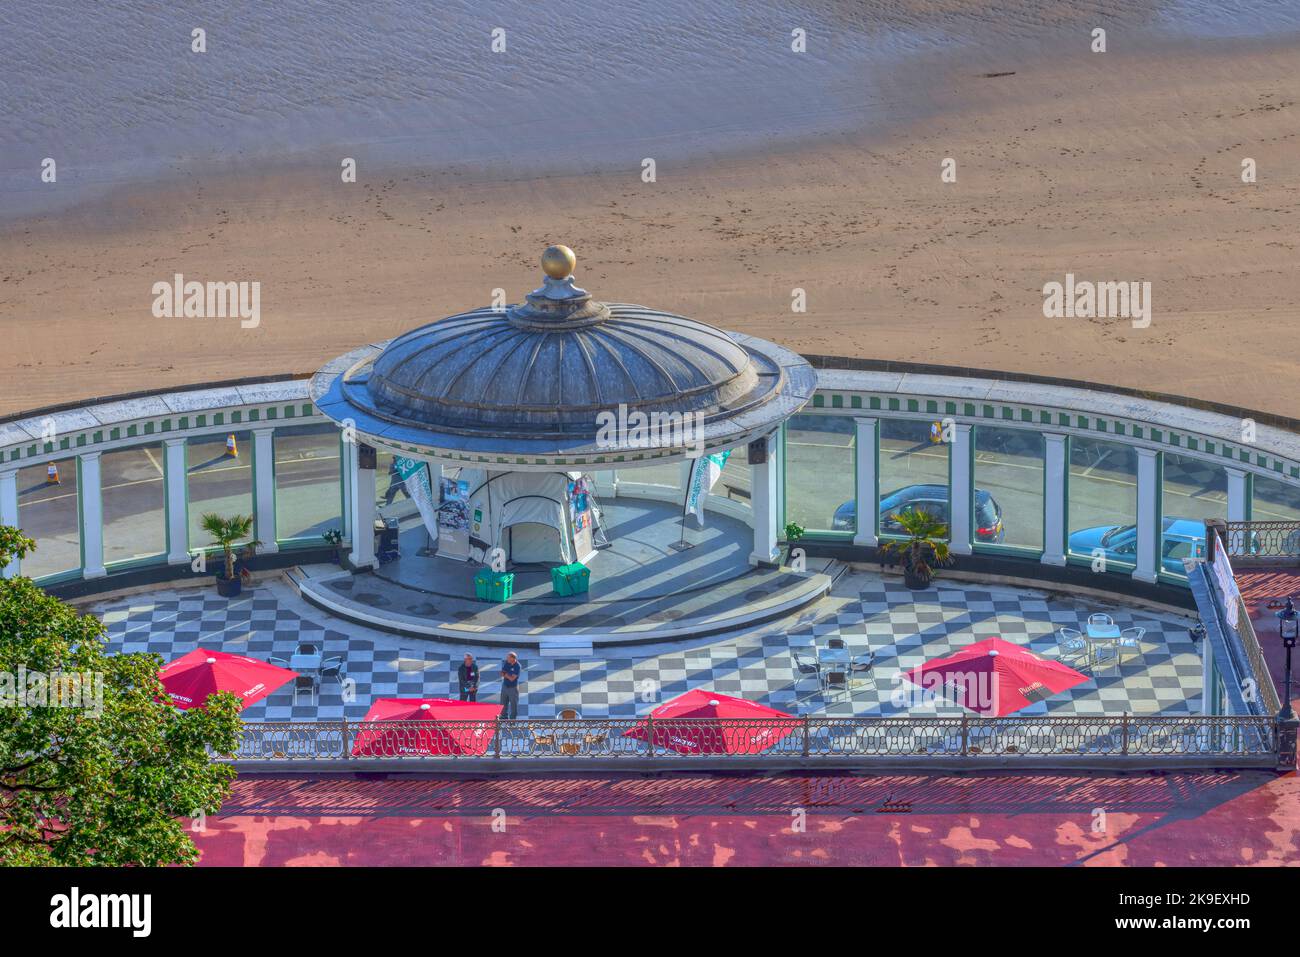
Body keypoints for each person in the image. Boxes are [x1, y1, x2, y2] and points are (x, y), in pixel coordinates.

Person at [499, 652, 521, 719]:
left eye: (508, 658)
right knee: (503, 702)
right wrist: (507, 675)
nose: (507, 659)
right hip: (505, 686)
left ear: (513, 658)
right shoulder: (507, 663)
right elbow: (501, 673)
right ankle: (503, 716)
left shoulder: (517, 666)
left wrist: (505, 675)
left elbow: (512, 679)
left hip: (513, 688)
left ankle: (513, 719)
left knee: (513, 704)